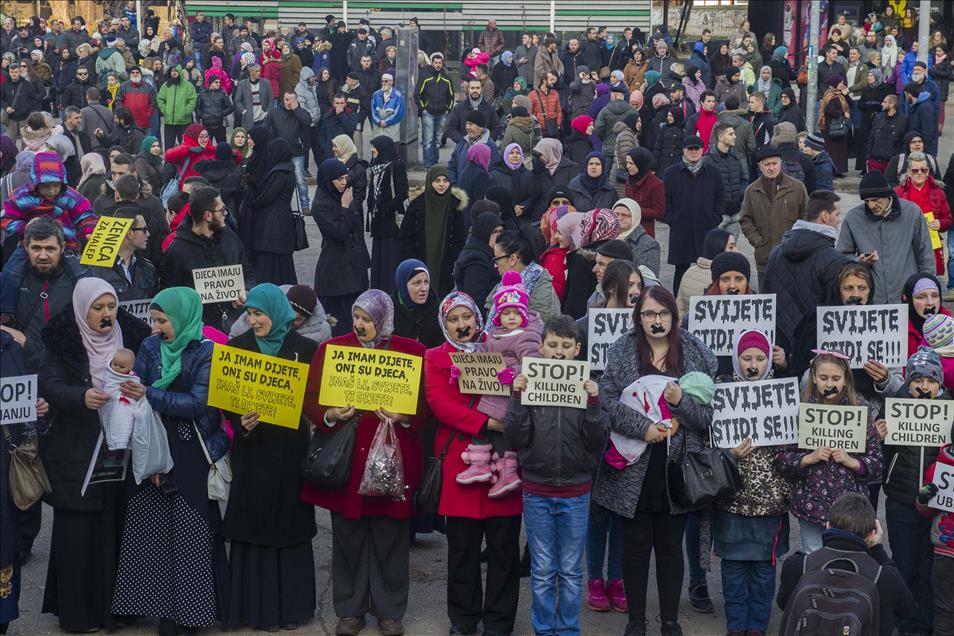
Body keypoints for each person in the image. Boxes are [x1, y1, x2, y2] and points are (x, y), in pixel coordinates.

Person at [593, 285, 716, 636]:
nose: (656, 320)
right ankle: (635, 621)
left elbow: (708, 415)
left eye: (662, 313)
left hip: (678, 467)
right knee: (633, 548)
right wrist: (644, 428)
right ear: (639, 317)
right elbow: (608, 402)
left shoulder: (696, 352)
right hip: (634, 465)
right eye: (648, 313)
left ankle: (670, 621)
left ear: (673, 316)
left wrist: (680, 403)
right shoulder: (621, 351)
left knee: (669, 548)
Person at [302, 291, 427, 636]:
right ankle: (350, 609)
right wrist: (329, 414)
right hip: (348, 463)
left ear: (382, 320)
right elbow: (310, 397)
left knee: (390, 538)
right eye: (356, 317)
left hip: (391, 463)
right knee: (348, 538)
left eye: (367, 319)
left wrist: (404, 416)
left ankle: (390, 611)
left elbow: (424, 403)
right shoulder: (332, 351)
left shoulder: (410, 352)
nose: (359, 325)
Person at [110, 286, 229, 633]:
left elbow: (196, 404)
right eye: (154, 319)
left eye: (163, 321)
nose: (157, 327)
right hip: (153, 448)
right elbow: (139, 390)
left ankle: (191, 616)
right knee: (154, 534)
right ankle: (162, 611)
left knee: (190, 533)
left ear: (183, 317)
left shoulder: (206, 352)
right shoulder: (149, 347)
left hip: (190, 451)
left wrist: (150, 393)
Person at [38, 277, 149, 632]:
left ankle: (117, 610)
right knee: (78, 529)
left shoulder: (133, 335)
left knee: (115, 526)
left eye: (111, 307)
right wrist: (80, 397)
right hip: (76, 446)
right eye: (97, 308)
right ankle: (79, 613)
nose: (106, 315)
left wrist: (141, 389)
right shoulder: (62, 340)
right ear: (82, 308)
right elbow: (49, 384)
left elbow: (150, 375)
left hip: (121, 447)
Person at [424, 292, 524, 635]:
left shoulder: (500, 348)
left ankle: (499, 620)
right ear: (444, 324)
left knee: (503, 549)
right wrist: (486, 423)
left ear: (478, 320)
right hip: (461, 464)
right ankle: (464, 619)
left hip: (501, 461)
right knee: (462, 550)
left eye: (466, 318)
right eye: (454, 320)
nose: (462, 325)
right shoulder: (434, 357)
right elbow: (440, 404)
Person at [221, 284, 318, 631]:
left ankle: (291, 608)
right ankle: (254, 608)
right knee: (253, 525)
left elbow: (315, 401)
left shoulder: (306, 349)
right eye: (249, 314)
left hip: (291, 455)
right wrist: (240, 422)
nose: (253, 320)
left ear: (277, 313)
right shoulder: (237, 348)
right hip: (253, 453)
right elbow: (226, 401)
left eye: (259, 314)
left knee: (290, 526)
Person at [505, 314, 606, 636]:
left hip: (576, 492)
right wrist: (518, 398)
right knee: (544, 569)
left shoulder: (588, 387)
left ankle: (567, 630)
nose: (559, 352)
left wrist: (593, 403)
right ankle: (543, 629)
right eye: (552, 345)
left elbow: (597, 440)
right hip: (537, 490)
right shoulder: (529, 384)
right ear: (542, 348)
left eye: (566, 346)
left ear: (577, 349)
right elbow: (515, 438)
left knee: (571, 570)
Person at [713, 330, 790, 636]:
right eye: (746, 358)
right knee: (732, 567)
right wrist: (728, 454)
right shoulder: (722, 391)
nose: (753, 364)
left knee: (763, 568)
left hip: (769, 502)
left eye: (760, 358)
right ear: (736, 359)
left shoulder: (782, 394)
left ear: (769, 360)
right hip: (731, 498)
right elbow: (708, 440)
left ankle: (757, 625)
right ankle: (736, 625)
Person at [774, 351, 883, 554]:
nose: (829, 383)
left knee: (849, 561)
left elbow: (876, 462)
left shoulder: (861, 411)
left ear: (845, 380)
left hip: (850, 510)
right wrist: (807, 458)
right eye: (823, 378)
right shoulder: (799, 411)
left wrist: (853, 462)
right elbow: (781, 458)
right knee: (814, 560)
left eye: (836, 378)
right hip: (811, 505)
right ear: (814, 378)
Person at [776, 493, 915, 636]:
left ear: (828, 526)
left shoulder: (798, 566)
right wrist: (878, 551)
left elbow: (784, 603)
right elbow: (907, 611)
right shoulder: (884, 577)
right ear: (872, 534)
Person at [762, 190, 851, 357]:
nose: (839, 220)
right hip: (818, 350)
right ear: (825, 215)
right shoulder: (834, 260)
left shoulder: (775, 253)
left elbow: (766, 297)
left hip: (780, 347)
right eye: (837, 214)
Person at [160, 185, 253, 331]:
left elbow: (248, 274)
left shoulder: (231, 239)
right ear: (208, 216)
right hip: (198, 330)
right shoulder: (177, 250)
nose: (226, 214)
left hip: (235, 325)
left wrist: (245, 292)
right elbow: (170, 294)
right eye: (222, 210)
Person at [837, 171, 933, 304]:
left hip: (907, 296)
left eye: (875, 200)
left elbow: (925, 254)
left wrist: (928, 289)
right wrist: (860, 262)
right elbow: (842, 258)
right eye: (867, 201)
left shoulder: (912, 212)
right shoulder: (853, 218)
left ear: (888, 195)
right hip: (872, 300)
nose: (871, 205)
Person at [311, 158, 370, 336]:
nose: (344, 183)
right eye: (339, 179)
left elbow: (356, 229)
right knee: (342, 323)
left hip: (353, 264)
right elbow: (339, 234)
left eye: (345, 178)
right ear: (329, 180)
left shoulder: (343, 194)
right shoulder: (320, 205)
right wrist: (345, 207)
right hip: (336, 270)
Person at [663, 136, 724, 296]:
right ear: (683, 150)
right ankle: (678, 304)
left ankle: (709, 300)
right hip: (681, 229)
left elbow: (720, 199)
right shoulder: (671, 173)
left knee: (708, 268)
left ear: (702, 150)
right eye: (690, 148)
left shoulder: (713, 172)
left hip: (706, 228)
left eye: (697, 148)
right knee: (681, 269)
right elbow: (665, 201)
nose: (693, 151)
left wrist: (714, 219)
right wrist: (672, 220)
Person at [739, 146, 808, 285]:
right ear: (760, 166)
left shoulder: (797, 187)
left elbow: (806, 217)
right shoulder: (751, 191)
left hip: (792, 256)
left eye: (775, 163)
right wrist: (758, 242)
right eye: (767, 164)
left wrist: (797, 241)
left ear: (780, 163)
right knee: (767, 299)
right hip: (765, 258)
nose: (771, 168)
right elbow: (745, 220)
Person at [400, 166, 467, 299]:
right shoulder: (417, 205)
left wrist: (452, 260)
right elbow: (405, 235)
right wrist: (412, 260)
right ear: (430, 181)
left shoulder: (455, 205)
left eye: (445, 180)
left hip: (445, 264)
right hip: (420, 260)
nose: (441, 184)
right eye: (437, 180)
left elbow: (460, 239)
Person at [243, 138, 298, 285]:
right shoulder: (285, 169)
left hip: (273, 226)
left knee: (270, 267)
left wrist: (251, 203)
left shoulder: (281, 171)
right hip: (278, 223)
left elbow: (267, 196)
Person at [895, 151, 951, 276]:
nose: (919, 173)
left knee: (930, 280)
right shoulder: (898, 193)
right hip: (906, 244)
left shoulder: (938, 192)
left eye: (923, 170)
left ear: (928, 172)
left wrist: (940, 224)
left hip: (931, 245)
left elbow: (948, 219)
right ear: (909, 172)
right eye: (915, 170)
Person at [366, 136, 409, 294]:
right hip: (378, 224)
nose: (372, 150)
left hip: (391, 224)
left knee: (389, 261)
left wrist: (387, 209)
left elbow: (402, 192)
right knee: (378, 261)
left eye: (375, 147)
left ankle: (390, 293)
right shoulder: (376, 166)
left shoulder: (397, 166)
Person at [89, 208, 157, 301]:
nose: (148, 234)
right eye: (144, 229)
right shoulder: (97, 269)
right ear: (130, 233)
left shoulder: (148, 268)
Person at [264, 91, 312, 213]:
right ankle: (277, 205)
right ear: (282, 100)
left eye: (292, 100)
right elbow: (266, 128)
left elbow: (307, 122)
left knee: (300, 180)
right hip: (279, 153)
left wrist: (296, 109)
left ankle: (305, 205)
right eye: (286, 99)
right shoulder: (274, 112)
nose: (289, 102)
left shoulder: (301, 112)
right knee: (277, 180)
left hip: (297, 152)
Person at [703, 123, 747, 238]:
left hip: (735, 214)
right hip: (718, 215)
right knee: (714, 252)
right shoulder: (708, 160)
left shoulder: (735, 157)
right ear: (721, 137)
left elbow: (743, 179)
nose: (735, 136)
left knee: (731, 251)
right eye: (731, 134)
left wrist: (739, 195)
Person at [454, 212, 503, 310]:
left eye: (501, 232)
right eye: (494, 232)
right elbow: (476, 300)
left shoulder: (487, 252)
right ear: (484, 232)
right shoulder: (476, 260)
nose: (498, 236)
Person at [391, 260, 442, 348]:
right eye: (417, 283)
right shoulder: (389, 309)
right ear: (403, 285)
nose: (424, 289)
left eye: (426, 282)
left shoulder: (437, 309)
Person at [416, 53, 454, 169]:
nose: (438, 65)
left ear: (442, 64)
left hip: (442, 113)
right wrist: (423, 107)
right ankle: (428, 166)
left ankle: (435, 164)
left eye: (439, 63)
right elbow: (417, 94)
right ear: (432, 63)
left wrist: (448, 108)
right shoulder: (425, 76)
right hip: (428, 112)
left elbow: (451, 96)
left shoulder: (446, 78)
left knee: (437, 141)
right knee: (428, 140)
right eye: (436, 63)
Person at [866, 94, 907, 175]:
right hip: (874, 161)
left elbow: (903, 142)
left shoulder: (903, 121)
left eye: (885, 102)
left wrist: (898, 161)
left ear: (892, 105)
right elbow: (871, 138)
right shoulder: (878, 118)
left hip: (890, 163)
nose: (882, 104)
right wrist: (868, 157)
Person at [233, 64, 273, 130]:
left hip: (263, 118)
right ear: (251, 72)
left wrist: (267, 112)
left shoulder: (266, 83)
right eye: (256, 71)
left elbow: (271, 100)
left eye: (259, 71)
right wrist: (244, 111)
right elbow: (237, 101)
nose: (259, 73)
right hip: (249, 119)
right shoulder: (242, 84)